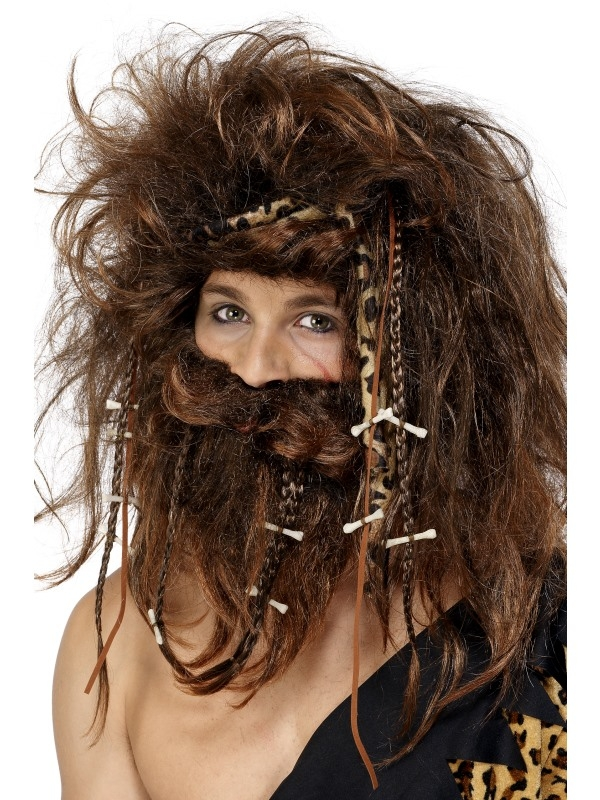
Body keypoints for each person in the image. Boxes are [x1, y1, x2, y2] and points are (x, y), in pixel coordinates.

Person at [36, 24, 566, 800]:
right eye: (228, 313)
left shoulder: (539, 630)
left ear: (417, 359)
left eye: (316, 321)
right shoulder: (120, 644)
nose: (255, 369)